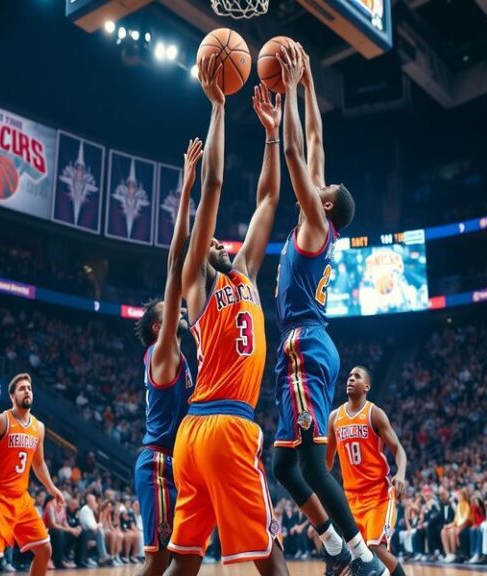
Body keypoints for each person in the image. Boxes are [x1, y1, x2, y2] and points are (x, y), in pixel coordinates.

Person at [163, 55, 286, 575]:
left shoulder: (246, 275)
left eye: (217, 238)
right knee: (271, 556)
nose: (215, 238)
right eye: (206, 237)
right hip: (226, 424)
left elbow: (269, 199)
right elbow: (213, 186)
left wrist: (271, 136)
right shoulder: (198, 283)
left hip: (194, 438)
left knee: (184, 563)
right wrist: (218, 108)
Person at [272, 43, 383, 576]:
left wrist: (288, 91)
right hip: (311, 346)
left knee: (312, 466)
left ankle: (361, 559)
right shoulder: (315, 220)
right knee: (284, 465)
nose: (320, 180)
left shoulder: (316, 226)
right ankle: (337, 548)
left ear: (329, 204)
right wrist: (311, 80)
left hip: (303, 344)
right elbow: (315, 138)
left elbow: (296, 153)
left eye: (326, 187)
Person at [134, 138, 202, 576]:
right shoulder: (160, 353)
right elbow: (175, 263)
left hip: (180, 462)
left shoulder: (180, 350)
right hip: (158, 461)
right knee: (158, 561)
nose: (176, 306)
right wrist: (187, 189)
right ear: (158, 327)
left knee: (186, 559)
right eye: (169, 308)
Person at [0, 373, 63, 576]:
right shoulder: (1, 421)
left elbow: (39, 463)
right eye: (22, 388)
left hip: (21, 499)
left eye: (29, 388)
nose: (27, 391)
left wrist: (51, 488)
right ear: (12, 397)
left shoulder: (38, 427)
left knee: (44, 550)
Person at [326, 366, 407, 575]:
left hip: (378, 495)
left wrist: (400, 474)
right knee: (353, 557)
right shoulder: (334, 417)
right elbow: (326, 464)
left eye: (357, 376)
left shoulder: (374, 413)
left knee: (375, 548)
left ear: (366, 386)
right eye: (350, 376)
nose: (351, 379)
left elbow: (399, 450)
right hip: (350, 499)